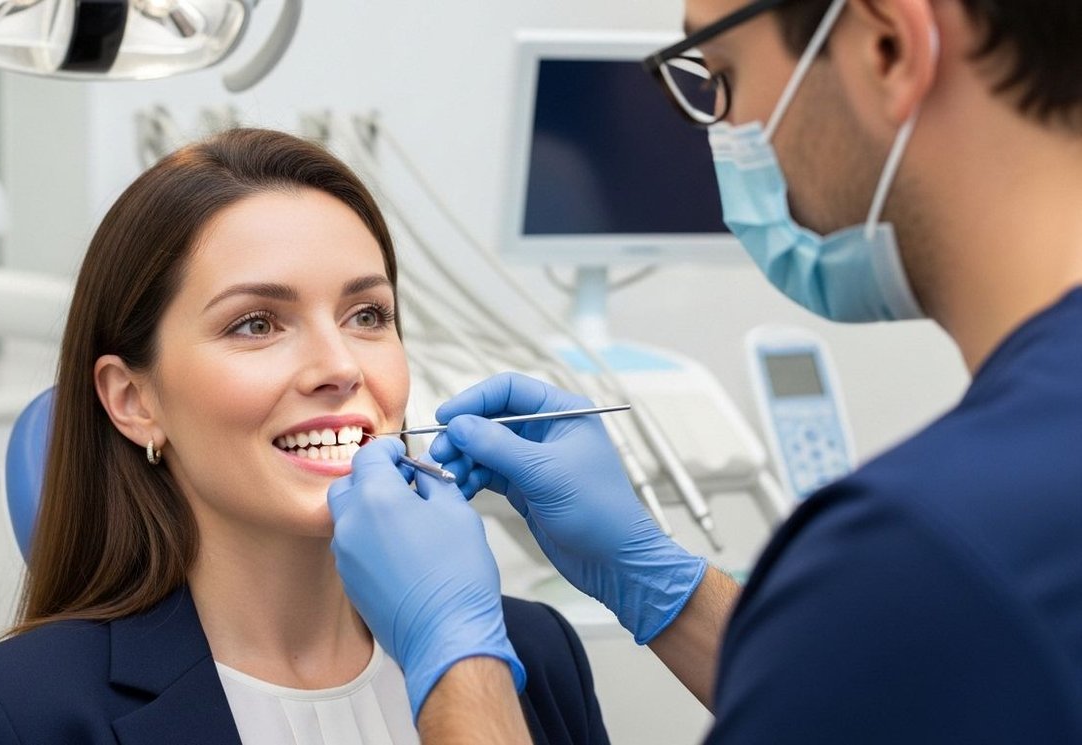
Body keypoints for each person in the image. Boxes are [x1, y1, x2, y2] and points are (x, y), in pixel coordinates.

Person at [328, 0, 1082, 741]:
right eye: (266, 323)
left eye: (721, 75)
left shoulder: (929, 550)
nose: (721, 132)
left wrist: (456, 659)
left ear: (887, 46)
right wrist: (658, 582)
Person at [0, 129, 610, 744]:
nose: (340, 367)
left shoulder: (531, 651)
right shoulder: (8, 716)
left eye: (367, 315)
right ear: (134, 400)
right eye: (256, 324)